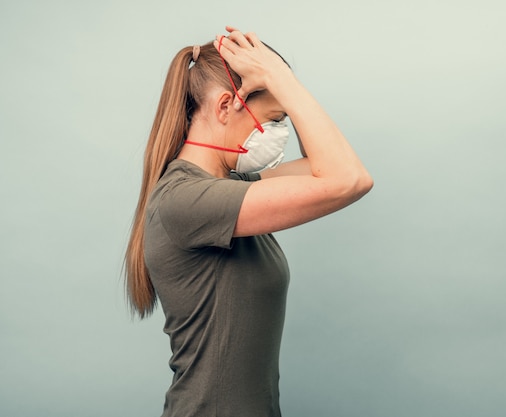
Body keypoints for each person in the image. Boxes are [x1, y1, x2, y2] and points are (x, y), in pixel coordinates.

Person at [124, 26, 373, 417]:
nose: (279, 133)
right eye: (274, 119)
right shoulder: (186, 201)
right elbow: (349, 179)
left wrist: (284, 87)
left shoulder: (230, 188)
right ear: (226, 106)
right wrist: (280, 81)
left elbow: (325, 165)